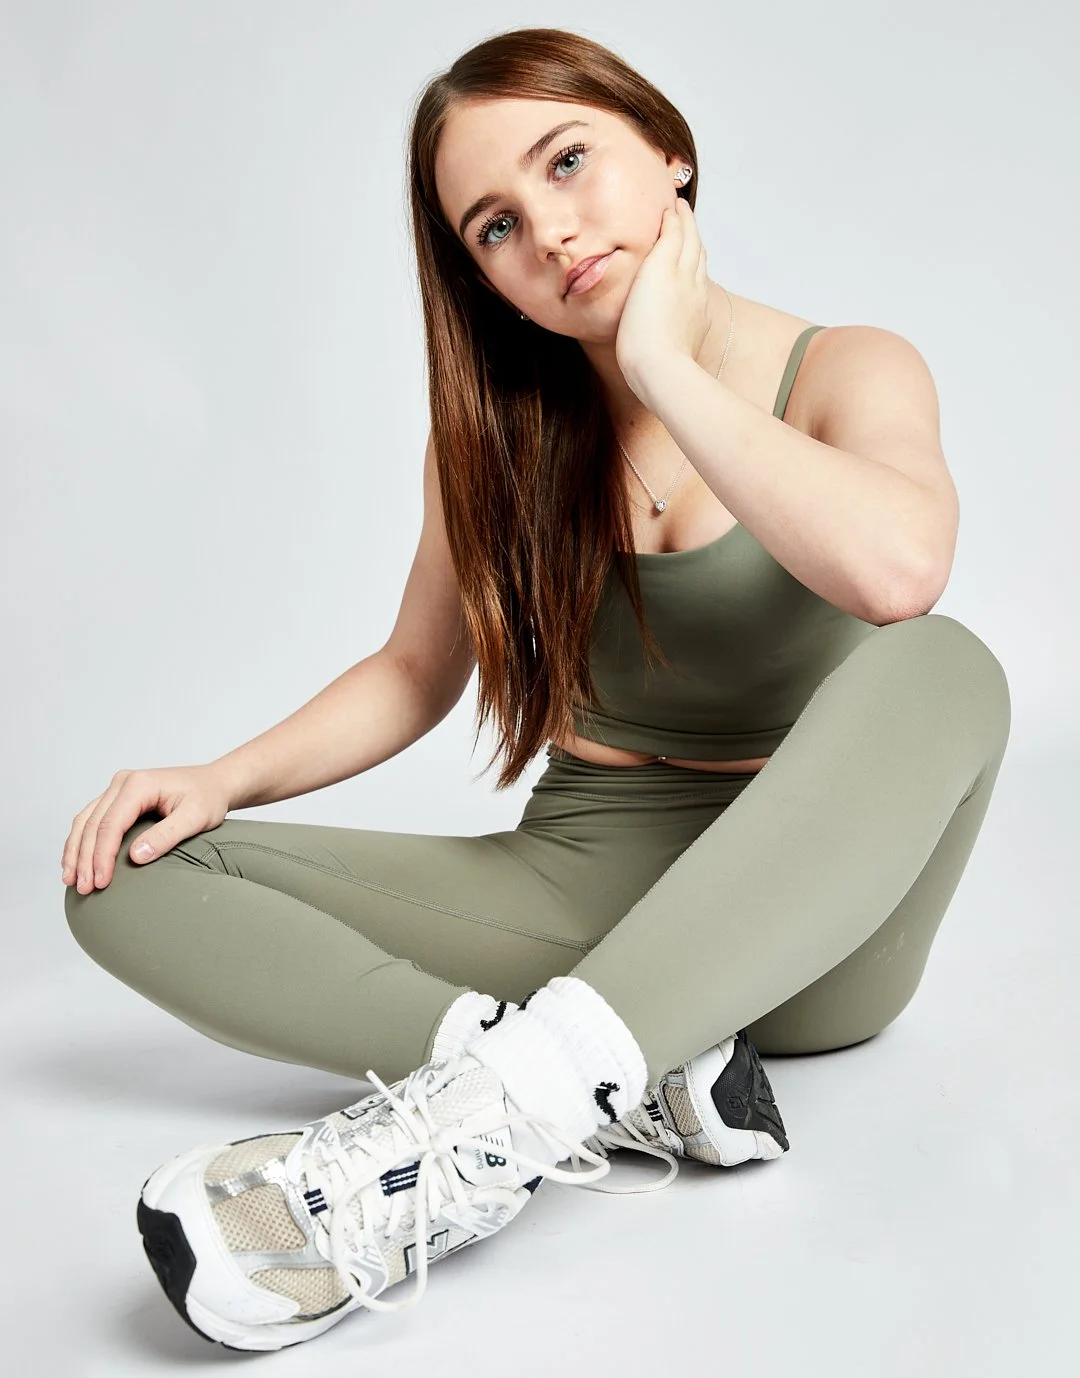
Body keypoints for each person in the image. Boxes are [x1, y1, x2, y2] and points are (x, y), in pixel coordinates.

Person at [62, 26, 1011, 1354]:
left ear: (667, 151)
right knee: (126, 874)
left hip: (816, 939)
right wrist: (220, 779)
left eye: (568, 162)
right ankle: (596, 1080)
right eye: (496, 226)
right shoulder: (495, 443)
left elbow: (900, 572)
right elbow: (413, 672)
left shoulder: (850, 369)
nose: (550, 231)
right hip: (585, 894)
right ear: (482, 276)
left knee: (949, 664)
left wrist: (664, 365)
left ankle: (526, 1093)